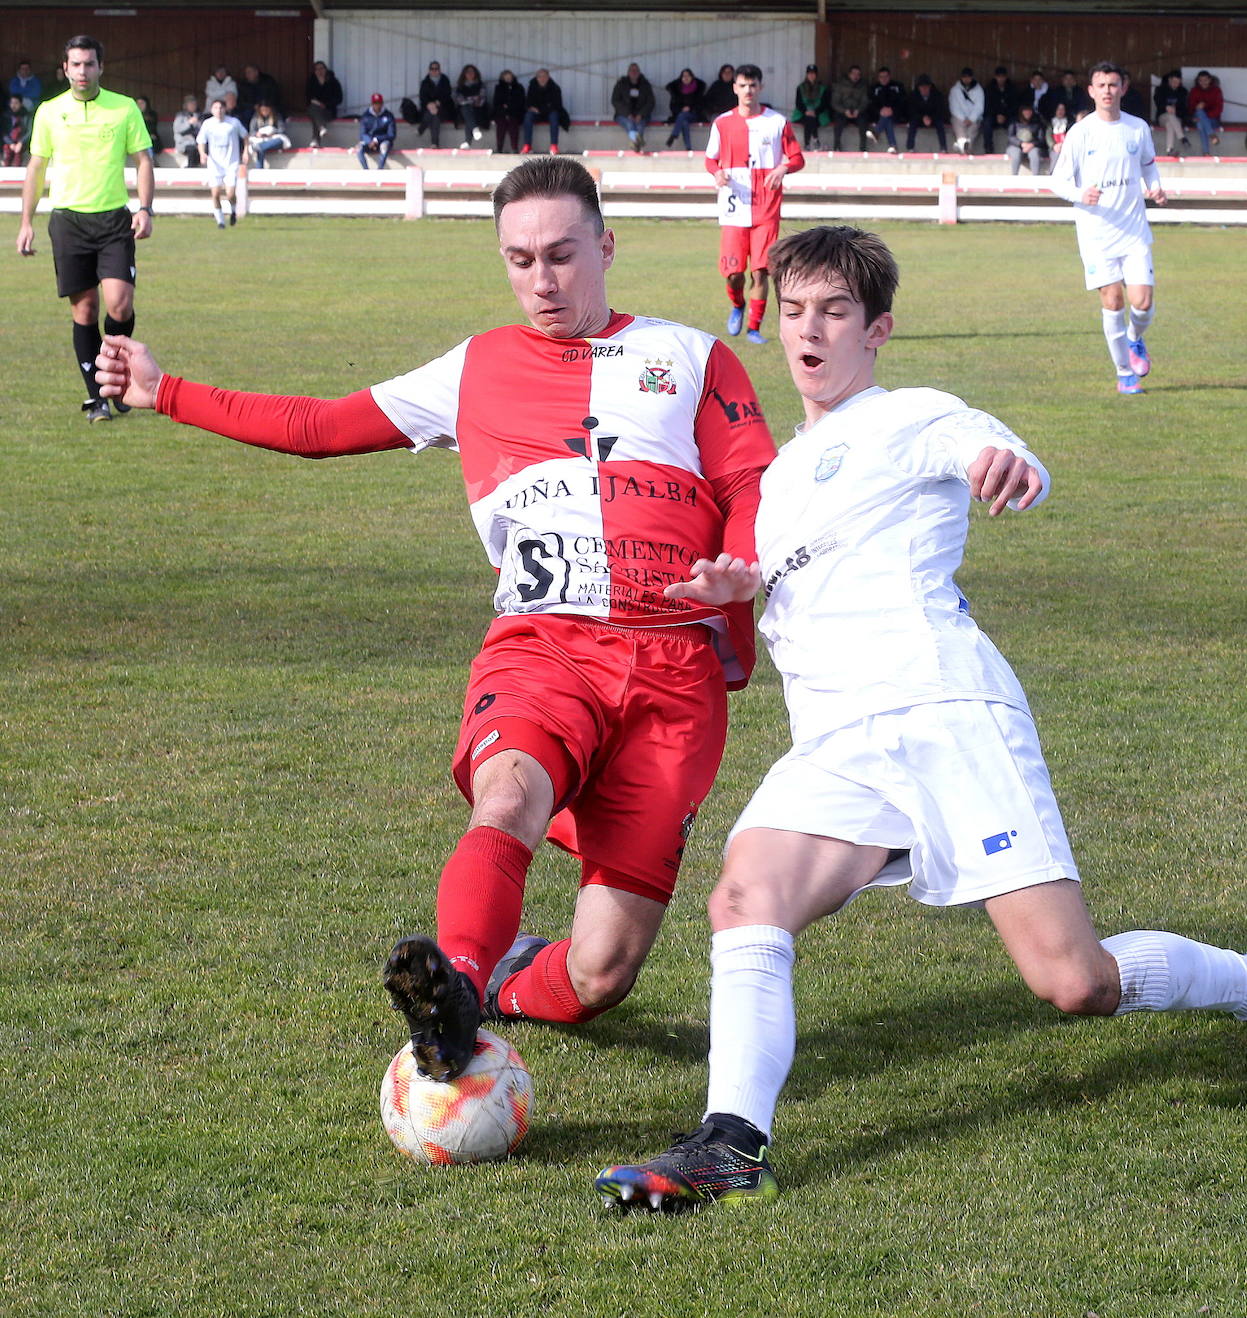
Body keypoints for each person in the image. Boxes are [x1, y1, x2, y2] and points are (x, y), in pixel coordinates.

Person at [592, 223, 1247, 1210]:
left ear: (877, 328)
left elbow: (987, 445)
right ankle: (730, 1146)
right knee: (745, 894)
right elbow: (804, 577)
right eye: (795, 309)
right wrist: (741, 579)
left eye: (835, 312)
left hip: (942, 713)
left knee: (1076, 982)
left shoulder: (913, 415)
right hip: (838, 741)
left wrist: (1007, 465)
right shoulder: (782, 477)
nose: (810, 331)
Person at [94, 154, 776, 1089]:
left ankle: (498, 983)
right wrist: (163, 391)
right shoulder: (478, 366)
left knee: (600, 973)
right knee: (510, 799)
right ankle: (452, 982)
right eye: (520, 259)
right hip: (547, 648)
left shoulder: (693, 355)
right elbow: (320, 424)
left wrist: (737, 565)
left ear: (606, 246)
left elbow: (748, 478)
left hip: (672, 673)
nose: (543, 279)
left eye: (563, 255)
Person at [15, 34, 153, 424]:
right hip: (68, 221)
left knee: (119, 304)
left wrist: (145, 208)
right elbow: (36, 168)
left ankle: (119, 376)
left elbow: (143, 160)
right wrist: (26, 221)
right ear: (65, 68)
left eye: (89, 64)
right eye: (75, 64)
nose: (82, 71)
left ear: (100, 67)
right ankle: (98, 398)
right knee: (86, 309)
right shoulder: (48, 111)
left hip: (113, 219)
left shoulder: (123, 108)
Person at [1049, 62, 1164, 397]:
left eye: (1113, 85)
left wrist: (1155, 189)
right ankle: (1125, 373)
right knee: (1113, 301)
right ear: (1091, 90)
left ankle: (1134, 338)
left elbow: (1149, 168)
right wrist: (1079, 193)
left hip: (1134, 230)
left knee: (1142, 303)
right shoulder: (1080, 133)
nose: (1108, 91)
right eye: (1101, 85)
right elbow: (1057, 181)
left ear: (1123, 88)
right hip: (1096, 234)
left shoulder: (1137, 128)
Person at [705, 63, 805, 345]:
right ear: (735, 88)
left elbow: (797, 157)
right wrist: (718, 172)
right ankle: (737, 304)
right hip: (735, 206)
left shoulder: (777, 122)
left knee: (761, 271)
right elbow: (710, 159)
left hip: (766, 207)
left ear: (760, 87)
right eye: (743, 85)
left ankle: (753, 328)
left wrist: (783, 168)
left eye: (753, 85)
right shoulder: (722, 123)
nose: (748, 90)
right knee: (734, 274)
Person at [196, 98, 247, 228]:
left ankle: (233, 211)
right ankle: (220, 221)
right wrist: (202, 153)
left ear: (225, 109)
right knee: (215, 194)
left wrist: (246, 152)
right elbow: (201, 140)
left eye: (221, 107)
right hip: (214, 164)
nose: (219, 110)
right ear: (212, 110)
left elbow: (245, 137)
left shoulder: (233, 123)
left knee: (230, 194)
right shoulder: (207, 124)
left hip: (231, 163)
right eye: (216, 108)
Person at [611, 62, 655, 153]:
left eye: (636, 70)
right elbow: (615, 100)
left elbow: (651, 102)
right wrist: (627, 114)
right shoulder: (621, 84)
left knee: (640, 126)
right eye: (632, 70)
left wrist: (641, 114)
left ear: (639, 72)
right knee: (630, 124)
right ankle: (637, 145)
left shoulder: (645, 85)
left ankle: (636, 147)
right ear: (628, 72)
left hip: (642, 115)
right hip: (623, 115)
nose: (634, 72)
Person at [521, 68, 565, 154]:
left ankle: (554, 146)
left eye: (544, 76)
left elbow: (557, 105)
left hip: (549, 112)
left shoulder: (555, 88)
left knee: (554, 116)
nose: (542, 79)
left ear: (548, 77)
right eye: (539, 77)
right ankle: (527, 145)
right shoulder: (532, 86)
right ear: (536, 78)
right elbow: (528, 102)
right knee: (528, 116)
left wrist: (542, 109)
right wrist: (531, 108)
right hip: (536, 113)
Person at [790, 65, 830, 152]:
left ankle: (807, 144)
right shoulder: (800, 87)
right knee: (809, 119)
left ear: (816, 75)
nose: (811, 76)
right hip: (804, 114)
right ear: (807, 75)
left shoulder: (823, 88)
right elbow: (798, 103)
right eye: (809, 74)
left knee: (811, 119)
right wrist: (806, 111)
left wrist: (815, 112)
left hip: (818, 114)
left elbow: (824, 104)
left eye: (813, 74)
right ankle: (815, 141)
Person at [664, 68, 704, 150]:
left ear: (692, 77)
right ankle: (688, 147)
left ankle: (674, 135)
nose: (686, 78)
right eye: (684, 76)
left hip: (695, 114)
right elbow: (673, 106)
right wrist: (681, 109)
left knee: (683, 116)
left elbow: (700, 105)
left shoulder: (698, 88)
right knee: (684, 122)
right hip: (681, 116)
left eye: (688, 76)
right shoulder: (677, 89)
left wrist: (690, 108)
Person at [865, 66, 904, 152]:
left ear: (889, 77)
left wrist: (892, 110)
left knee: (887, 118)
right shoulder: (874, 88)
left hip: (896, 114)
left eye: (886, 76)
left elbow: (902, 101)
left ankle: (876, 132)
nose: (884, 79)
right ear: (878, 78)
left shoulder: (897, 86)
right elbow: (871, 103)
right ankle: (893, 146)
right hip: (878, 115)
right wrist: (880, 111)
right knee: (887, 120)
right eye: (881, 77)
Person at [905, 74, 947, 152]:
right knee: (912, 123)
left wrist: (931, 118)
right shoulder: (913, 95)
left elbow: (940, 111)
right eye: (922, 86)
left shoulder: (937, 95)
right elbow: (911, 111)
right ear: (918, 87)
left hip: (933, 119)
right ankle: (910, 147)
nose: (924, 89)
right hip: (919, 119)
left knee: (940, 124)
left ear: (930, 86)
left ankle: (943, 148)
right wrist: (922, 117)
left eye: (926, 86)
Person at [830, 64, 867, 150]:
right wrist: (844, 111)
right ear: (849, 74)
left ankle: (862, 148)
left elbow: (865, 101)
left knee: (864, 121)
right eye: (854, 74)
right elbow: (834, 102)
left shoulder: (863, 86)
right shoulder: (840, 85)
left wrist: (858, 110)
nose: (856, 76)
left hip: (857, 113)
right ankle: (837, 146)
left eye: (858, 74)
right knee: (838, 121)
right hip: (843, 112)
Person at [305, 60, 342, 146]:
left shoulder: (333, 81)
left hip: (328, 111)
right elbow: (308, 98)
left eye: (321, 68)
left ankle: (315, 140)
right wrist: (317, 103)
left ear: (325, 70)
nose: (319, 71)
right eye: (317, 69)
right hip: (315, 108)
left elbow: (339, 99)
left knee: (315, 115)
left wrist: (326, 105)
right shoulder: (311, 81)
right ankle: (321, 128)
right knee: (313, 109)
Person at [948, 67, 984, 155]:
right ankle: (963, 146)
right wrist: (963, 119)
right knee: (960, 132)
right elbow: (953, 106)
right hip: (959, 118)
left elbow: (979, 106)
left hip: (974, 119)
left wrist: (971, 119)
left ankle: (964, 147)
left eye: (968, 77)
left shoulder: (979, 90)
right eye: (964, 77)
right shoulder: (955, 90)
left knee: (972, 132)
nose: (966, 79)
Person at [982, 65, 1016, 154]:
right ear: (995, 77)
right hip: (993, 116)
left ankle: (1012, 147)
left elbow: (1014, 106)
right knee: (986, 123)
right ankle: (988, 148)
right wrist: (997, 115)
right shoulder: (989, 88)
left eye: (1003, 77)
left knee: (1013, 124)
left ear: (1006, 77)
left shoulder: (1012, 88)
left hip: (1007, 116)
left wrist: (1004, 115)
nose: (1001, 79)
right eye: (999, 77)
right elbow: (987, 106)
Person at [356, 92, 396, 168]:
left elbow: (391, 135)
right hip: (369, 142)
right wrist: (369, 141)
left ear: (382, 103)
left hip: (382, 141)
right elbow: (362, 133)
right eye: (375, 103)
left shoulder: (388, 115)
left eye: (379, 103)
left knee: (384, 146)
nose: (377, 105)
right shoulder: (366, 116)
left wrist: (376, 140)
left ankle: (379, 171)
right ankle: (366, 171)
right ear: (372, 103)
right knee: (359, 147)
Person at [1188, 70, 1223, 155]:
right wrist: (1196, 107)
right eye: (1201, 80)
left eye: (1205, 80)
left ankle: (1206, 152)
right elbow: (1190, 108)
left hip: (1213, 120)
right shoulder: (1194, 91)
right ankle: (1211, 135)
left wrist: (1205, 117)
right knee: (1200, 115)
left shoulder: (1216, 90)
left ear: (1210, 80)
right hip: (1197, 119)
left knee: (1201, 122)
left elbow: (1219, 109)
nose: (1203, 82)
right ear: (1198, 81)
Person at [1005, 102, 1047, 174]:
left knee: (1035, 154)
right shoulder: (1014, 122)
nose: (1027, 112)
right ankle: (1014, 178)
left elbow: (1041, 139)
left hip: (1033, 147)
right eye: (1025, 110)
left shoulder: (1037, 123)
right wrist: (1021, 144)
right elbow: (1010, 136)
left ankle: (1036, 180)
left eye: (1029, 110)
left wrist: (1032, 145)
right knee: (1016, 154)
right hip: (1015, 146)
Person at [418, 60, 453, 148]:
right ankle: (434, 143)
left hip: (444, 109)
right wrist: (429, 105)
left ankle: (421, 128)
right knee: (434, 115)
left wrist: (438, 103)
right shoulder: (425, 82)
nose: (434, 70)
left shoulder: (445, 80)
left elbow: (447, 95)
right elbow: (423, 97)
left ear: (439, 70)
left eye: (436, 68)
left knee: (435, 112)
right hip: (429, 109)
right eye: (432, 68)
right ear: (429, 70)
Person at [1154, 69, 1189, 154]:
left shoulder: (1183, 91)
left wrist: (1176, 110)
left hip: (1177, 119)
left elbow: (1184, 109)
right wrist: (1166, 107)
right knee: (1169, 116)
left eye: (1177, 82)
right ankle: (1182, 137)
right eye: (1173, 81)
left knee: (1170, 124)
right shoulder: (1160, 90)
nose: (1175, 84)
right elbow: (1158, 102)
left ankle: (1169, 150)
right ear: (1169, 80)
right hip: (1163, 117)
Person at [491, 69, 525, 155]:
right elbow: (497, 102)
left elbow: (520, 101)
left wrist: (509, 106)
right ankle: (499, 148)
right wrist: (504, 109)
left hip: (515, 113)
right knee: (501, 126)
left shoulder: (519, 87)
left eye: (510, 77)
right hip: (501, 113)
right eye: (506, 77)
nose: (508, 79)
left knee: (513, 125)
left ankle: (514, 147)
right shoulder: (499, 88)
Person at [248, 101, 290, 169]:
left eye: (266, 110)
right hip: (261, 139)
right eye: (262, 110)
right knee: (260, 148)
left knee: (279, 140)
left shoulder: (276, 116)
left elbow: (282, 129)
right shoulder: (255, 117)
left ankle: (260, 147)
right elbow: (251, 131)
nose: (264, 112)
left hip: (273, 140)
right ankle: (259, 169)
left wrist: (273, 133)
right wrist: (257, 134)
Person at [454, 65, 486, 148]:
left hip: (478, 109)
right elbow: (459, 100)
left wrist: (468, 100)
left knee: (470, 113)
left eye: (472, 72)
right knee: (466, 110)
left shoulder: (480, 84)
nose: (470, 74)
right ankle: (475, 130)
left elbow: (481, 99)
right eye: (468, 72)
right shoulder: (460, 86)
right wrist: (473, 99)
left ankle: (468, 141)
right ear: (464, 74)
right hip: (463, 111)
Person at [172, 95, 202, 167]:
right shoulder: (180, 115)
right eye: (190, 104)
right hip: (184, 142)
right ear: (186, 105)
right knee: (192, 149)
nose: (193, 105)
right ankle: (191, 168)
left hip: (197, 142)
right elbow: (177, 129)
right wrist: (189, 123)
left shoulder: (199, 115)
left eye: (194, 104)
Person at [2, 93, 30, 167]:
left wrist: (20, 143)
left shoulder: (26, 115)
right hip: (9, 143)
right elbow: (3, 132)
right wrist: (11, 143)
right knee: (7, 157)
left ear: (21, 104)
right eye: (11, 103)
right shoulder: (5, 116)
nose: (13, 105)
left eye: (16, 103)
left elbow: (29, 131)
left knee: (19, 159)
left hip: (22, 143)